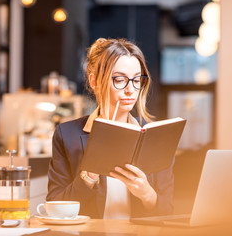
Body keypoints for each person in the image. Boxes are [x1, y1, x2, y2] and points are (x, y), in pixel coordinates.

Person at [47, 38, 174, 219]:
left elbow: (168, 211)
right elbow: (55, 207)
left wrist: (147, 194)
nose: (131, 89)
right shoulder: (67, 135)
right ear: (94, 81)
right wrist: (88, 177)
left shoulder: (155, 136)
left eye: (137, 80)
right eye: (120, 80)